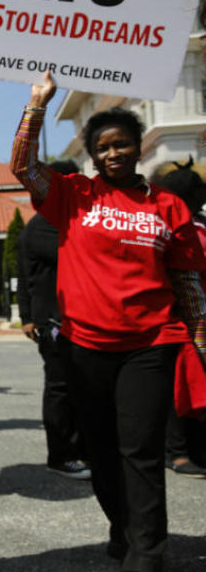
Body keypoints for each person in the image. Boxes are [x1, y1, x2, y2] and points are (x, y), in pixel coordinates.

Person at [10, 71, 206, 572]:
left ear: (138, 148)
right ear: (92, 154)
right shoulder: (72, 194)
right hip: (85, 348)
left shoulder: (168, 206)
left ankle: (148, 550)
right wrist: (36, 105)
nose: (113, 153)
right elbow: (23, 166)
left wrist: (201, 335)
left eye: (122, 144)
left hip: (151, 343)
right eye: (103, 147)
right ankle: (122, 527)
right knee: (101, 449)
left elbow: (185, 278)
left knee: (140, 451)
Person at [16, 159, 90, 481]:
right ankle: (62, 456)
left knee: (77, 388)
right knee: (61, 388)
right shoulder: (47, 223)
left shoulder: (54, 219)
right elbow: (28, 273)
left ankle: (81, 450)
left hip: (64, 317)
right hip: (56, 320)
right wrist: (29, 316)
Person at [154, 159, 206, 478]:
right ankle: (177, 452)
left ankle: (194, 450)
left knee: (196, 385)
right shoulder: (170, 222)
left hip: (197, 312)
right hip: (179, 316)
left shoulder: (198, 222)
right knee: (183, 386)